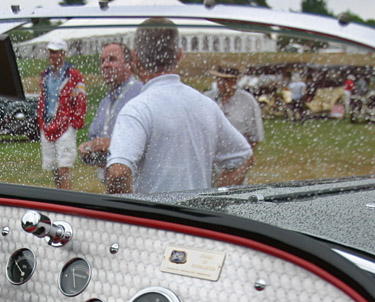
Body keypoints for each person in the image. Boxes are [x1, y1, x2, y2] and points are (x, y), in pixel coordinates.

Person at [105, 17, 251, 195]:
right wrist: (215, 197)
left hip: (154, 221)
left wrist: (133, 213)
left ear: (134, 57)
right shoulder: (205, 104)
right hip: (195, 218)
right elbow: (243, 157)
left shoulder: (138, 109)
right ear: (179, 55)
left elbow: (118, 173)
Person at [78, 41, 142, 179]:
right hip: (111, 185)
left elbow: (148, 147)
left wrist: (110, 145)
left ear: (129, 64)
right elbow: (96, 137)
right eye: (102, 61)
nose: (105, 65)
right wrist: (89, 148)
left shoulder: (140, 95)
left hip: (135, 185)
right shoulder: (105, 101)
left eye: (112, 59)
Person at [36, 38, 86, 190]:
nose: (52, 56)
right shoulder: (46, 75)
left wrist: (75, 122)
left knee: (64, 166)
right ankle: (59, 196)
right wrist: (42, 122)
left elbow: (81, 98)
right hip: (49, 123)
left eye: (55, 53)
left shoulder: (73, 75)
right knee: (54, 167)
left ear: (63, 54)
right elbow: (43, 98)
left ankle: (67, 199)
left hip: (65, 125)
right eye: (51, 52)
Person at [205, 64, 264, 150]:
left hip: (237, 152)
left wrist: (245, 155)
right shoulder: (207, 98)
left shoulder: (247, 101)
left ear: (235, 81)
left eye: (227, 80)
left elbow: (254, 134)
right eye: (219, 79)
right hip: (211, 153)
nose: (222, 83)